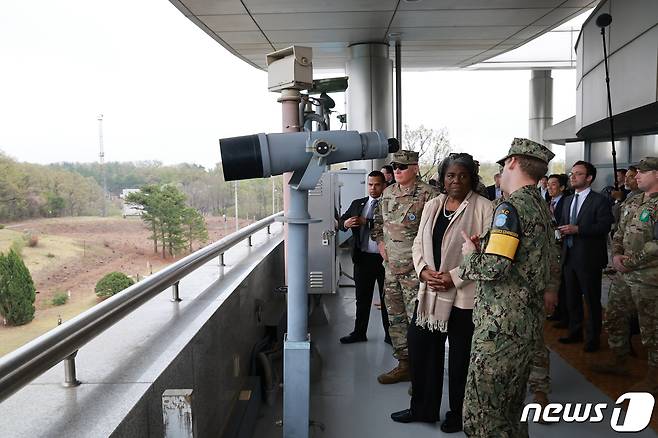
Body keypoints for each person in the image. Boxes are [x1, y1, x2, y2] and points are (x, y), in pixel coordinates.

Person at [459, 138, 559, 438]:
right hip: (525, 323)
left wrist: (470, 256)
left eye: (504, 163)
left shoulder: (509, 208)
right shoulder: (540, 205)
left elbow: (494, 267)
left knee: (484, 417)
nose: (502, 168)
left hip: (500, 330)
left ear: (513, 162)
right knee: (511, 411)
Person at [389, 153, 492, 431]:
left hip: (463, 296)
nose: (456, 180)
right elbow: (418, 244)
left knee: (461, 359)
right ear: (442, 178)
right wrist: (423, 271)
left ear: (472, 178)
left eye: (462, 175)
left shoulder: (484, 207)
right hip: (430, 291)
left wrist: (453, 277)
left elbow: (486, 252)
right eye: (450, 175)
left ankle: (459, 414)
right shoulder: (433, 205)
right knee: (422, 348)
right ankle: (422, 409)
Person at [592, 157, 658, 396]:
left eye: (643, 172)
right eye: (636, 172)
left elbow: (655, 245)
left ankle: (654, 378)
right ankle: (618, 360)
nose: (636, 176)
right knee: (614, 316)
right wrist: (617, 255)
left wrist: (629, 262)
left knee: (652, 329)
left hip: (650, 278)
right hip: (625, 274)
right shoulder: (634, 201)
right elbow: (618, 231)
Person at [372, 150, 439, 384]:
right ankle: (404, 364)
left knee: (418, 322)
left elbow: (436, 233)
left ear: (415, 168)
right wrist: (380, 243)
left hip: (416, 272)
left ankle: (421, 373)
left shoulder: (430, 195)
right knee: (396, 319)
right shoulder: (388, 192)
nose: (397, 171)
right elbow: (378, 222)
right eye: (394, 167)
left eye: (402, 167)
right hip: (391, 270)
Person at [557, 161, 614, 352]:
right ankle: (575, 332)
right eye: (572, 173)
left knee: (591, 300)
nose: (572, 177)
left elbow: (604, 226)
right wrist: (562, 232)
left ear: (589, 178)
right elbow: (564, 224)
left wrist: (578, 229)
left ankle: (593, 339)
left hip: (589, 258)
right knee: (572, 299)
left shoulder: (600, 201)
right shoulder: (567, 200)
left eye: (578, 174)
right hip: (569, 256)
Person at [338, 171, 390, 344]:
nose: (373, 188)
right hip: (363, 258)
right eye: (370, 184)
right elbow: (341, 221)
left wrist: (366, 222)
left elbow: (390, 224)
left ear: (384, 186)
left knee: (388, 299)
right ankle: (359, 333)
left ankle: (390, 336)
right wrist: (345, 223)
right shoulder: (358, 203)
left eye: (376, 185)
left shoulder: (390, 204)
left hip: (385, 260)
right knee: (362, 299)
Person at [546, 173, 569, 327]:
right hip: (551, 247)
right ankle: (557, 311)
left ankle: (565, 315)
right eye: (548, 184)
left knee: (565, 284)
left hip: (564, 248)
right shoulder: (548, 203)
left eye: (553, 184)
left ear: (562, 187)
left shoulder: (567, 202)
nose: (549, 187)